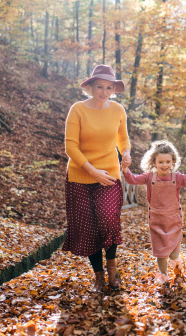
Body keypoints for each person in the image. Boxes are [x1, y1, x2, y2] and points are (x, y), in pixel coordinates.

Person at [62, 64, 131, 293]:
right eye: (99, 86)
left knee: (108, 218)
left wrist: (127, 154)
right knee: (88, 227)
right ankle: (99, 276)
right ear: (91, 86)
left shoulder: (118, 110)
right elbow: (70, 145)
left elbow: (123, 139)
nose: (103, 92)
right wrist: (92, 171)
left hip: (109, 175)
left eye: (108, 87)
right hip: (80, 176)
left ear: (113, 89)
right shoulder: (78, 109)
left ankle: (113, 270)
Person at [121, 140, 186, 285]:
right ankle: (163, 275)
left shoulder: (177, 177)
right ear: (154, 162)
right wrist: (126, 170)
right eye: (161, 162)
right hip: (157, 219)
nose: (164, 165)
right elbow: (133, 180)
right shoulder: (149, 177)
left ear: (173, 161)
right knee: (160, 251)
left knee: (173, 253)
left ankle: (176, 264)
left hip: (173, 219)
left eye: (167, 162)